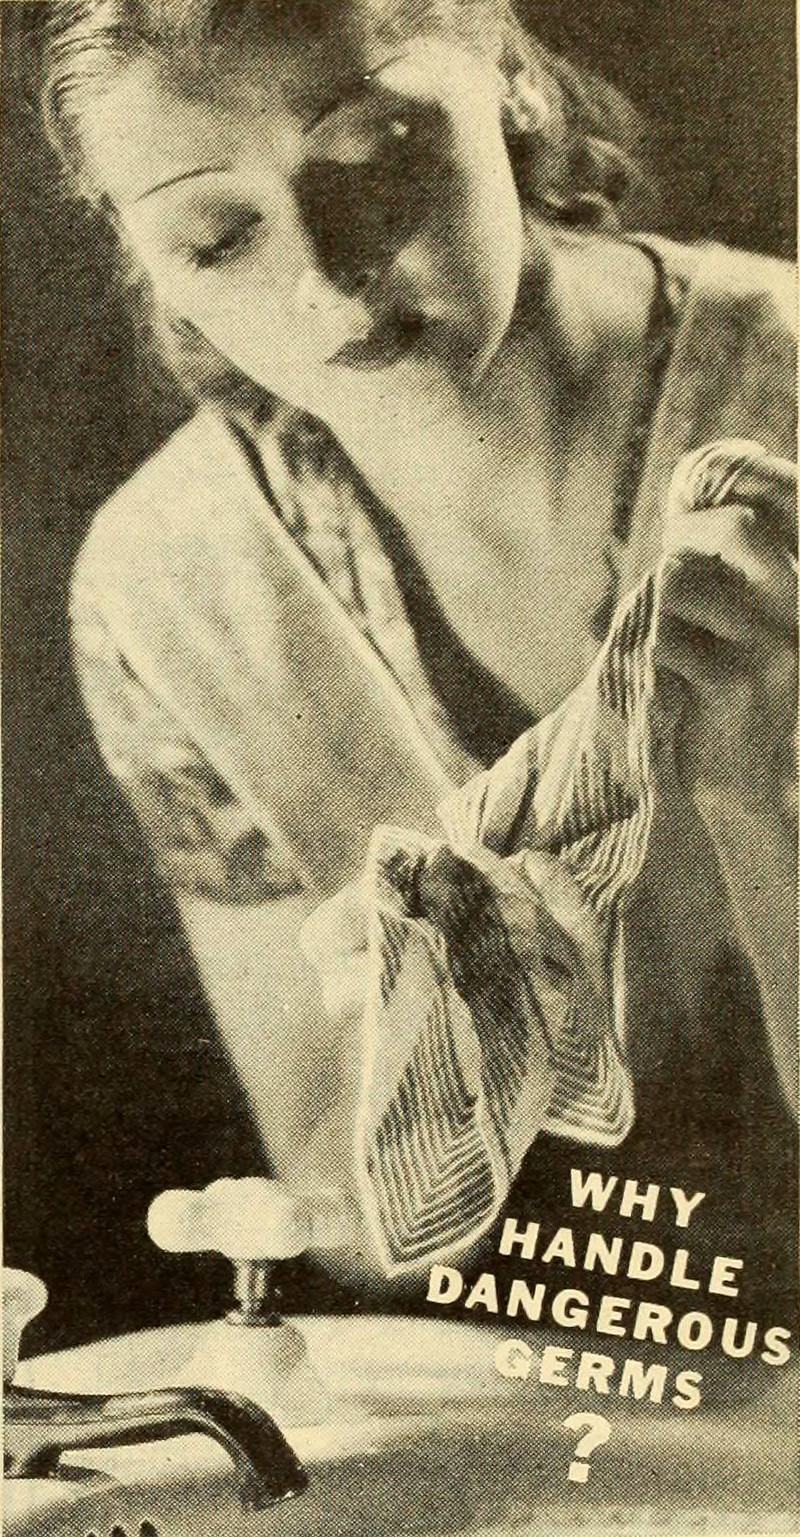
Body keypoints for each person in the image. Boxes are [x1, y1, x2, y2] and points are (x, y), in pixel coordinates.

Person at [35, 0, 796, 1307]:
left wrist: (764, 800)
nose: (327, 279)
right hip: (539, 1375)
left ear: (508, 78)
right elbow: (344, 1221)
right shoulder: (163, 586)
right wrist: (435, 1047)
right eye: (216, 237)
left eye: (375, 153)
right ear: (147, 261)